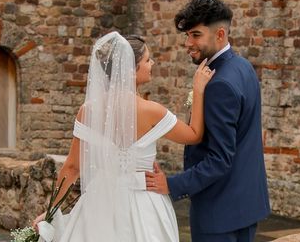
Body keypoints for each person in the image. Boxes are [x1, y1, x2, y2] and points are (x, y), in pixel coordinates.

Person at [33, 32, 214, 242]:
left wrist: (51, 212)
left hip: (99, 204)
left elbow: (72, 167)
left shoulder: (88, 110)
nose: (152, 63)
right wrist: (198, 90)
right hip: (145, 204)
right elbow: (194, 135)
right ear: (130, 69)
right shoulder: (152, 111)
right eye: (147, 60)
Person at [146, 0, 270, 242]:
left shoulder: (219, 83)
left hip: (219, 213)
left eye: (196, 35)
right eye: (187, 35)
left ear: (220, 34)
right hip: (246, 206)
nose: (187, 43)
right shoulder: (243, 67)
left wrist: (171, 185)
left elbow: (220, 158)